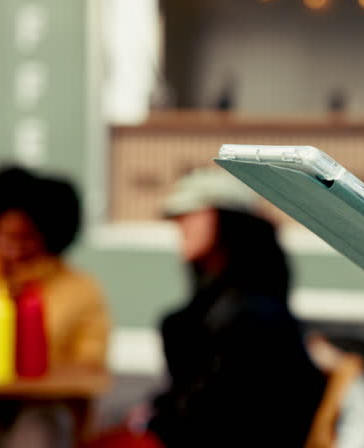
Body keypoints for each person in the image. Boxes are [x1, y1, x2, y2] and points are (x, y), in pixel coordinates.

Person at [128, 168, 330, 447]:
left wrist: (153, 421)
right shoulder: (227, 298)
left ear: (226, 220)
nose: (181, 227)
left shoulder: (251, 313)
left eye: (191, 215)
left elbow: (219, 411)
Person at [0, 165, 110, 448]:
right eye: (4, 236)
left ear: (51, 236)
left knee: (37, 431)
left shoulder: (80, 289)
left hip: (46, 404)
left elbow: (91, 364)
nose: (13, 248)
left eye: (26, 238)